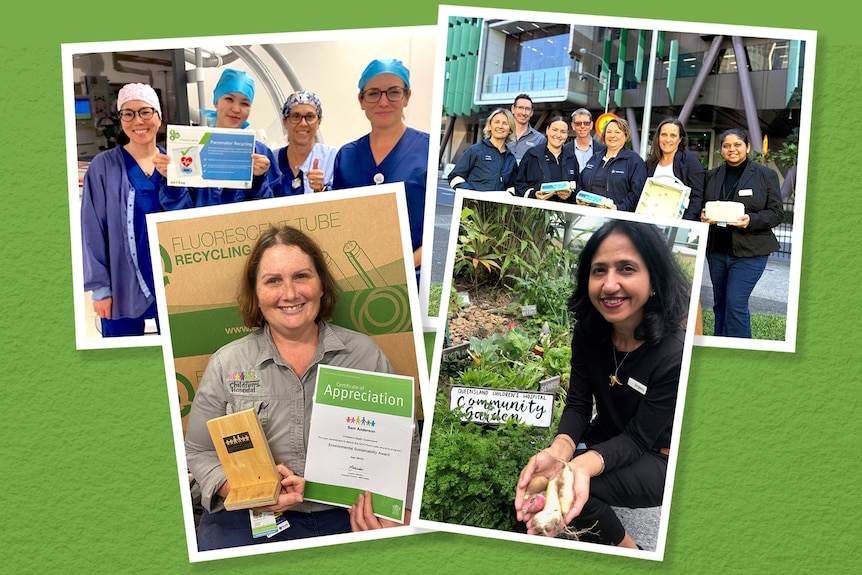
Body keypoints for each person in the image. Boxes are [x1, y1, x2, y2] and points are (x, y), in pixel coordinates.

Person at [184, 225, 420, 551]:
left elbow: (405, 445)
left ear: (322, 285)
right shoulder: (228, 363)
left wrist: (404, 512)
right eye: (273, 281)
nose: (290, 293)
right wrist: (241, 490)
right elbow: (198, 450)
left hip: (347, 513)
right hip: (247, 519)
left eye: (302, 276)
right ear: (255, 293)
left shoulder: (365, 355)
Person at [514, 219, 690, 549]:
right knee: (544, 481)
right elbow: (579, 403)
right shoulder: (590, 331)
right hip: (611, 434)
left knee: (576, 487)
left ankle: (633, 554)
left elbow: (639, 437)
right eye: (599, 271)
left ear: (654, 279)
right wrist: (559, 451)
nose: (609, 285)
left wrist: (579, 466)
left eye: (626, 269)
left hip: (660, 454)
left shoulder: (675, 354)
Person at [81, 83, 165, 337]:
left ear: (159, 116)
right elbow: (92, 230)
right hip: (121, 285)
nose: (138, 120)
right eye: (128, 113)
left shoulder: (177, 164)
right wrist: (100, 289)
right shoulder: (103, 167)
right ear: (121, 119)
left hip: (170, 281)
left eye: (145, 112)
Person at [333, 58, 428, 281]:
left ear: (407, 96)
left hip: (417, 277)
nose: (383, 102)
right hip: (359, 278)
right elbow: (338, 223)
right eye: (374, 93)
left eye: (393, 92)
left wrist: (404, 265)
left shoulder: (429, 150)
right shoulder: (346, 156)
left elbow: (443, 228)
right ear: (361, 100)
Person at [158, 68, 282, 208]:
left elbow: (273, 209)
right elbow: (177, 208)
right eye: (229, 99)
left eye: (244, 103)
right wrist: (172, 181)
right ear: (216, 101)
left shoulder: (261, 153)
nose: (236, 109)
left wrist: (258, 180)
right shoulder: (193, 146)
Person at [701, 129, 783, 338]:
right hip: (717, 250)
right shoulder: (712, 176)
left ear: (747, 147)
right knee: (720, 303)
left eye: (737, 144)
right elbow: (704, 205)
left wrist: (751, 220)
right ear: (721, 150)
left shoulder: (765, 175)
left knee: (736, 304)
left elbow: (776, 213)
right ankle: (719, 347)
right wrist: (703, 215)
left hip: (750, 252)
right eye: (727, 145)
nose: (732, 149)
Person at [578, 117, 647, 212]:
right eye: (609, 132)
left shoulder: (634, 161)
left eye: (617, 132)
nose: (612, 135)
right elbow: (580, 182)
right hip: (589, 216)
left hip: (616, 220)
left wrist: (618, 208)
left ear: (625, 136)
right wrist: (580, 198)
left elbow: (637, 193)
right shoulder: (595, 157)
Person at [276, 90, 336, 195]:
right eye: (296, 116)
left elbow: (343, 205)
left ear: (319, 122)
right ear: (285, 122)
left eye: (309, 117)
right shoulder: (272, 159)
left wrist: (321, 190)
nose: (303, 123)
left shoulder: (333, 158)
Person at [645, 118, 705, 220]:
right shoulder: (650, 163)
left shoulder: (689, 160)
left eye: (673, 136)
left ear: (680, 139)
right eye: (664, 135)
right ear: (658, 137)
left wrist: (683, 223)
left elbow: (696, 197)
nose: (668, 140)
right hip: (649, 223)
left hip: (677, 225)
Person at [447, 108, 517, 192]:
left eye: (505, 123)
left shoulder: (511, 159)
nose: (500, 126)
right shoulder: (475, 150)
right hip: (473, 204)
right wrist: (472, 194)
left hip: (496, 205)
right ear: (490, 126)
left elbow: (512, 186)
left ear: (510, 130)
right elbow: (454, 176)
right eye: (496, 122)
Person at [513, 115, 579, 202]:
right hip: (536, 211)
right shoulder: (532, 155)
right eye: (554, 130)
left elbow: (578, 186)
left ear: (567, 134)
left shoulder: (571, 158)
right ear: (547, 130)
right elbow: (519, 183)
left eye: (563, 132)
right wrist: (534, 194)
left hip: (563, 212)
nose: (558, 135)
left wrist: (570, 195)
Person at [507, 93, 547, 163]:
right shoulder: (502, 134)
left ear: (531, 112)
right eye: (520, 108)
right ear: (513, 109)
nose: (523, 113)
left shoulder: (540, 139)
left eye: (527, 109)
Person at [569, 108, 605, 173]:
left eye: (586, 123)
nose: (582, 126)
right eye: (578, 123)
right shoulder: (565, 150)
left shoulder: (603, 150)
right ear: (573, 126)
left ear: (591, 125)